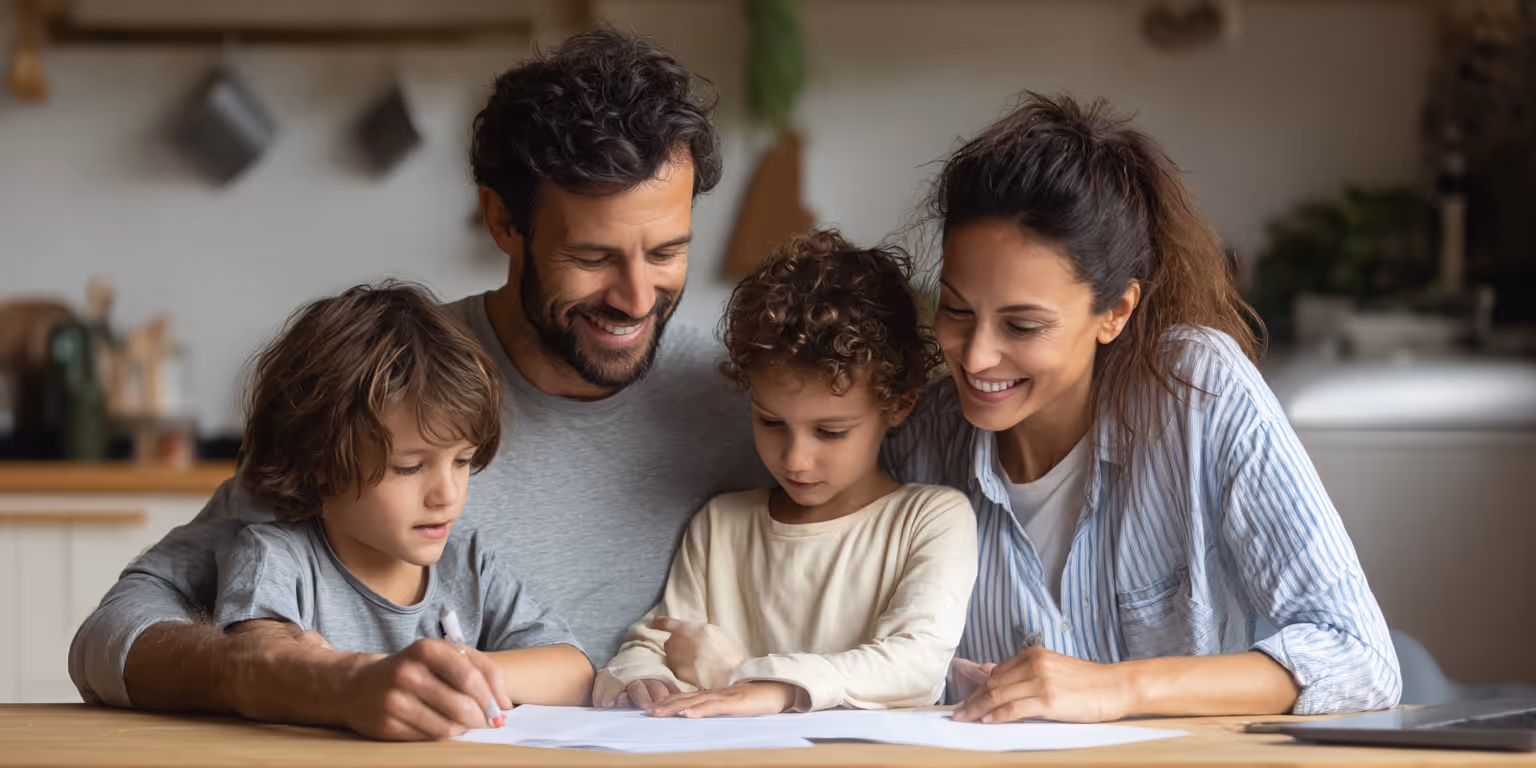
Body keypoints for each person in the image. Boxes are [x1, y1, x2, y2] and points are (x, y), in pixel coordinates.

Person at [68, 29, 767, 741]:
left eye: (667, 251)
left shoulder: (762, 397)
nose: (636, 297)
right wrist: (302, 678)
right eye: (591, 256)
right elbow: (110, 637)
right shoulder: (387, 382)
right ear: (503, 220)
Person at [883, 93, 1400, 724]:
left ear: (1116, 312)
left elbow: (1359, 656)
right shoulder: (913, 445)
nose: (976, 355)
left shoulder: (1197, 393)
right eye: (957, 310)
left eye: (1022, 325)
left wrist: (1119, 689)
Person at [593, 230, 977, 717]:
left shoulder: (931, 519)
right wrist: (643, 676)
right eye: (771, 422)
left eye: (830, 432)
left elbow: (915, 667)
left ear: (899, 403)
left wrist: (752, 682)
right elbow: (656, 643)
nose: (795, 459)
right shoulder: (722, 524)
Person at [214, 283, 593, 737]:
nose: (446, 495)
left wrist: (460, 675)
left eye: (462, 461)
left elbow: (575, 672)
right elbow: (257, 667)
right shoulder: (276, 559)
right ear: (319, 462)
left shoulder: (468, 565)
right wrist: (375, 680)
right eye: (410, 467)